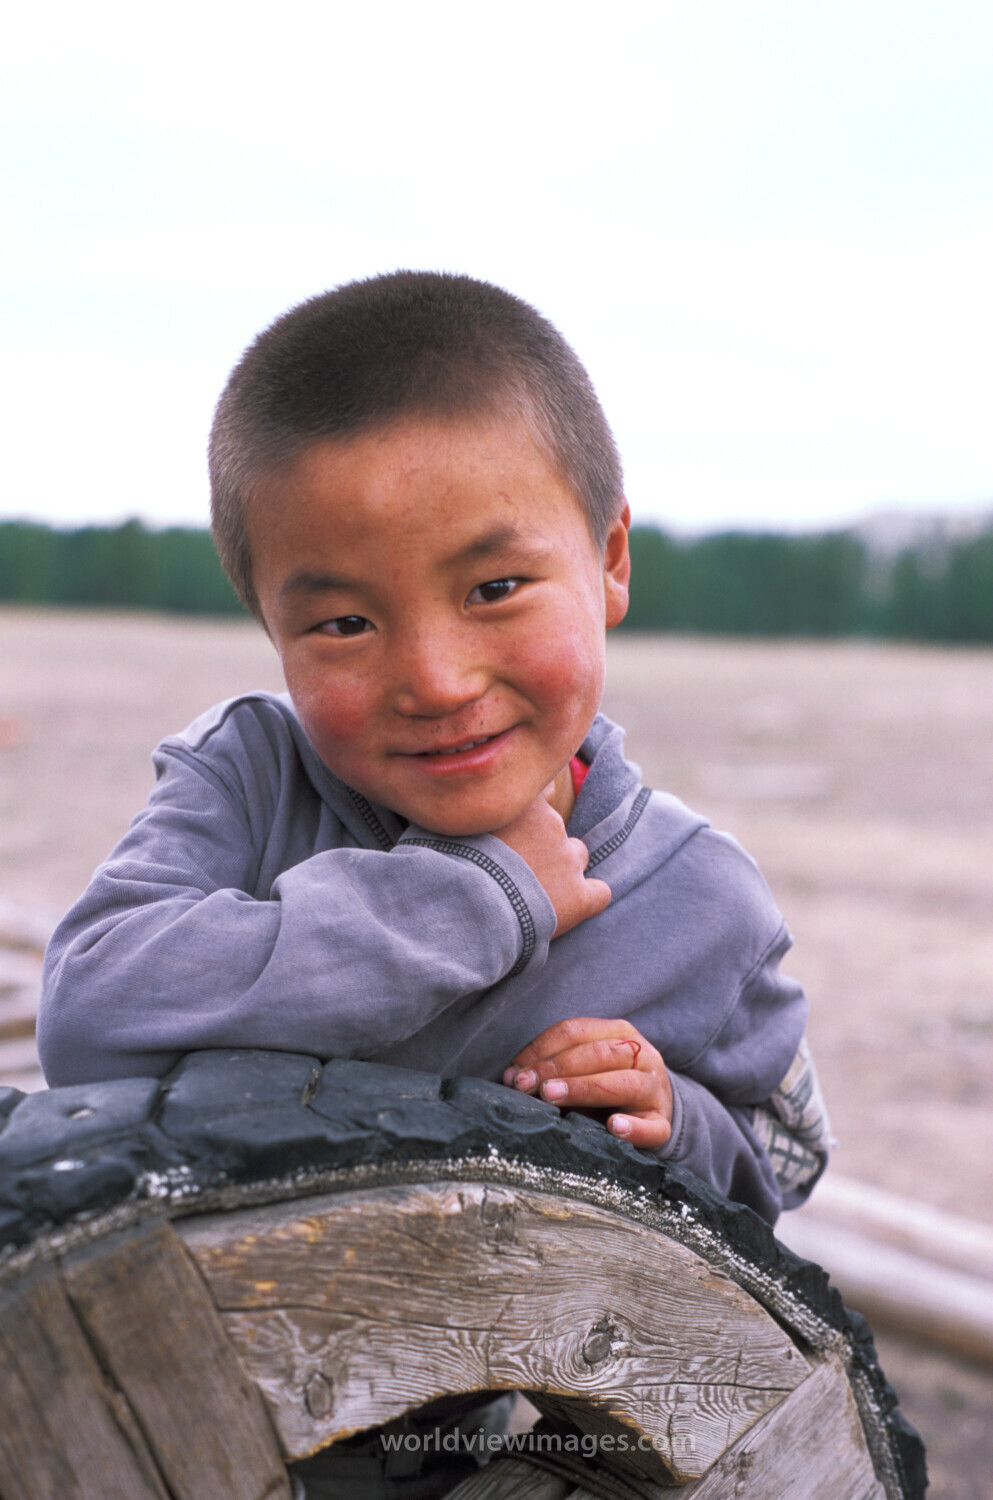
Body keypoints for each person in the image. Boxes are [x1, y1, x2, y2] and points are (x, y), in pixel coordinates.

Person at [39, 271, 831, 1225]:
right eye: (342, 622)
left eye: (494, 588)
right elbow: (89, 1019)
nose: (435, 681)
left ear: (610, 559)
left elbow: (782, 1157)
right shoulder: (250, 780)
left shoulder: (701, 899)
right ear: (268, 626)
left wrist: (670, 1118)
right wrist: (468, 899)